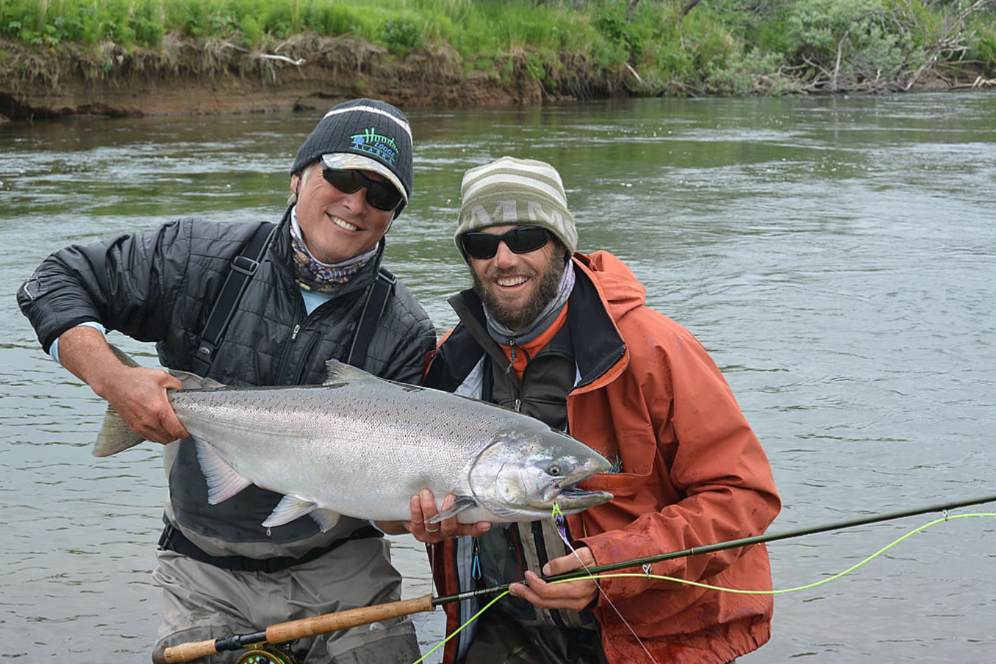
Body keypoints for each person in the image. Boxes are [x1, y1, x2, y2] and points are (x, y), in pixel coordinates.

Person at [16, 98, 437, 663]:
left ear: (393, 215)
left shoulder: (406, 328)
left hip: (342, 569)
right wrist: (116, 381)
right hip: (202, 566)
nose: (355, 202)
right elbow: (53, 280)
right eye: (341, 176)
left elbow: (386, 513)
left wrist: (425, 518)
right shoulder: (197, 256)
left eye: (381, 194)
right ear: (298, 177)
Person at [407, 156, 782, 664]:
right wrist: (424, 519)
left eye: (525, 238)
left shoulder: (654, 351)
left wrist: (612, 567)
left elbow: (743, 498)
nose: (504, 258)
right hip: (502, 626)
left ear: (562, 243)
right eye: (481, 244)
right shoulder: (453, 362)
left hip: (646, 634)